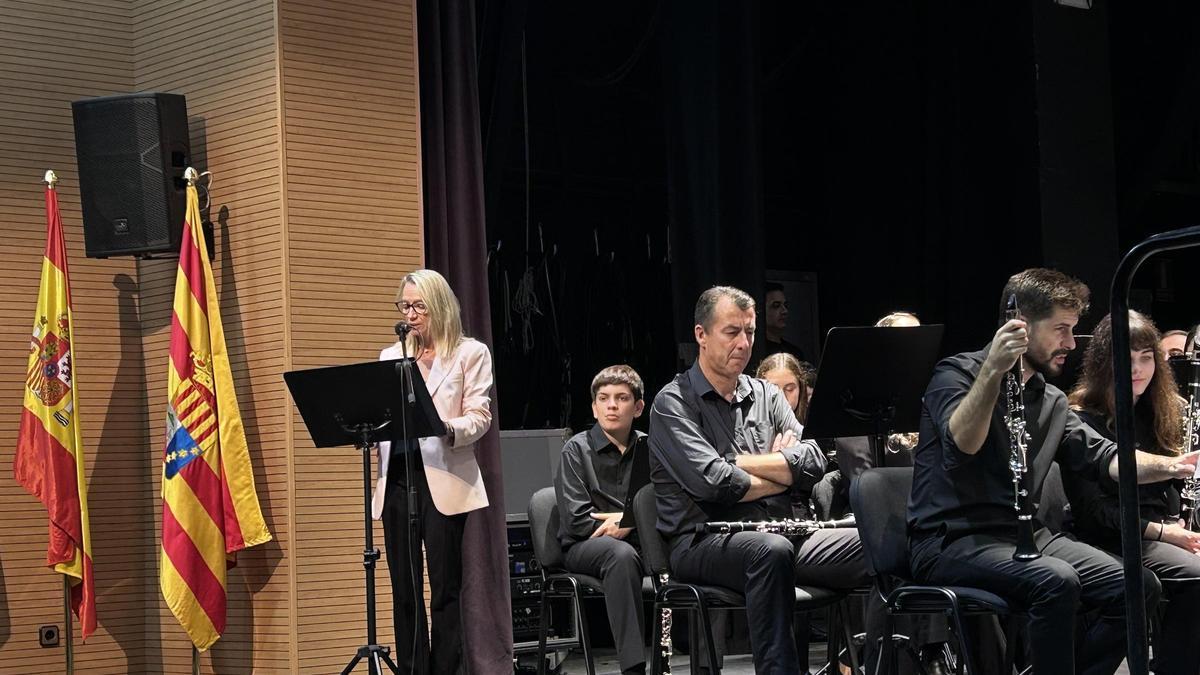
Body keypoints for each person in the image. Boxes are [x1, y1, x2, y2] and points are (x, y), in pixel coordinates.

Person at [907, 268, 1195, 675]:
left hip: (1025, 534)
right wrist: (992, 371)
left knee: (1136, 585)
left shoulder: (1050, 399)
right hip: (951, 538)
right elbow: (962, 444)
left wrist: (1176, 465)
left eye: (1073, 329)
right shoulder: (955, 374)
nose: (1069, 342)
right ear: (1019, 324)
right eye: (1061, 329)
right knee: (1056, 580)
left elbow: (1108, 460)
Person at [650, 285, 878, 675]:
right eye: (732, 332)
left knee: (882, 539)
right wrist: (781, 473)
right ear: (701, 335)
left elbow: (813, 460)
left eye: (750, 332)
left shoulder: (767, 395)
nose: (744, 343)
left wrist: (739, 460)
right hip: (704, 540)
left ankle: (879, 664)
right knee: (768, 551)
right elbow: (715, 484)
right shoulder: (672, 403)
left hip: (785, 532)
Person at [1063, 310, 1200, 675]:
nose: (1137, 369)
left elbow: (1172, 493)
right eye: (1127, 359)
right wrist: (1163, 531)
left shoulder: (1162, 412)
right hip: (1109, 536)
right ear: (1105, 363)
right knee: (1197, 574)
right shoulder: (1080, 419)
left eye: (1146, 358)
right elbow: (1093, 512)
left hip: (1157, 532)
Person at [371, 269, 494, 674]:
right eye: (404, 306)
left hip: (443, 478)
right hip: (398, 478)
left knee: (444, 589)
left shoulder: (469, 353)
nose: (410, 314)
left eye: (418, 306)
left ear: (438, 306)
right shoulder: (391, 357)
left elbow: (479, 416)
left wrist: (448, 428)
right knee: (404, 590)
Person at [554, 365, 648, 675]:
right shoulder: (575, 450)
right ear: (594, 408)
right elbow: (579, 520)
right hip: (586, 546)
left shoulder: (650, 447)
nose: (612, 405)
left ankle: (703, 663)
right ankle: (633, 669)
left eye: (621, 398)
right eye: (604, 398)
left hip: (641, 539)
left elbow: (668, 503)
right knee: (619, 555)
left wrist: (627, 520)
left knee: (694, 548)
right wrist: (632, 522)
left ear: (637, 408)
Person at [749, 282, 806, 371]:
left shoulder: (795, 353)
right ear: (760, 310)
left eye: (785, 305)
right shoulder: (752, 351)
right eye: (776, 306)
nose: (784, 311)